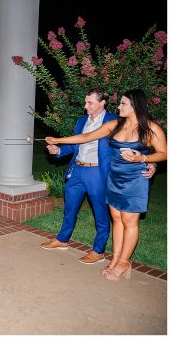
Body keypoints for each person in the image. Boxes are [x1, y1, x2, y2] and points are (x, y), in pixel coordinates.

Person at [46, 89, 166, 280]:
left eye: (123, 103)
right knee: (117, 219)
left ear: (134, 105)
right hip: (114, 177)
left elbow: (163, 153)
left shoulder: (150, 128)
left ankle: (124, 262)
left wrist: (145, 159)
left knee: (129, 221)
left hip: (134, 179)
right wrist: (58, 141)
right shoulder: (116, 125)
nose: (119, 106)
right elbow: (86, 137)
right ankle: (115, 259)